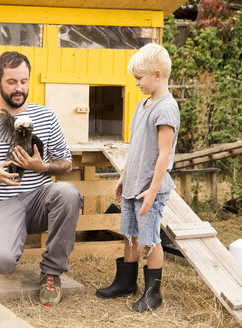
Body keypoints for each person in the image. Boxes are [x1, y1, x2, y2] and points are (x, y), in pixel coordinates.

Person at [0, 51, 83, 307]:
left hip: (39, 200)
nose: (19, 88)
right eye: (12, 81)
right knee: (2, 262)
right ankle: (2, 238)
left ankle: (52, 272)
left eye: (24, 81)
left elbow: (66, 163)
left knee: (68, 193)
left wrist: (40, 166)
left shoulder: (46, 116)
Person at [95, 43, 180, 312]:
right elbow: (135, 147)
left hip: (148, 189)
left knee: (150, 239)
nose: (136, 84)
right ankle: (126, 283)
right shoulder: (143, 104)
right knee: (129, 234)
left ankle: (153, 294)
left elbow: (164, 156)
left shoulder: (166, 108)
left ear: (157, 74)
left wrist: (152, 192)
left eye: (139, 78)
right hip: (133, 184)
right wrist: (123, 176)